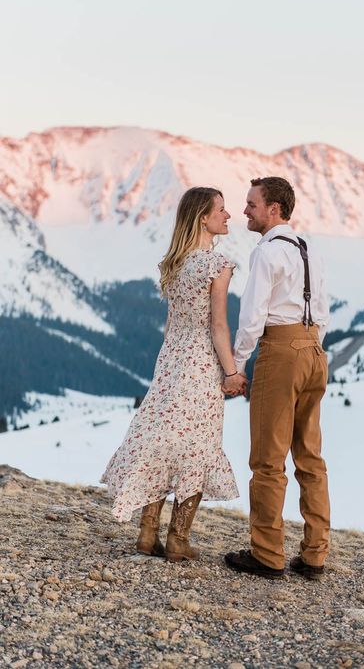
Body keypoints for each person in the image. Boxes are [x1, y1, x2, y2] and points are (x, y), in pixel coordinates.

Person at [101, 186, 241, 562]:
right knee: (197, 444)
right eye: (222, 210)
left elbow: (170, 324)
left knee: (161, 440)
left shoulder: (175, 263)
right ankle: (178, 539)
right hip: (199, 364)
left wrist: (169, 362)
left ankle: (148, 532)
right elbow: (218, 327)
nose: (228, 217)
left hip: (171, 362)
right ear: (203, 218)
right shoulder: (217, 264)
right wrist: (231, 372)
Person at [223, 176, 330, 579]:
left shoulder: (267, 253)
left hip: (281, 351)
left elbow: (252, 315)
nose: (245, 210)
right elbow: (322, 311)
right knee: (310, 457)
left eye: (251, 204)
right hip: (314, 352)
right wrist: (311, 345)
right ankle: (315, 554)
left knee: (268, 458)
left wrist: (238, 363)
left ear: (274, 209)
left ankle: (267, 554)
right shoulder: (310, 250)